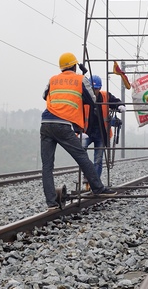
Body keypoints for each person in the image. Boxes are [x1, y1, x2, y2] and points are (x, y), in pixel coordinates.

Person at [40, 52, 117, 209]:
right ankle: (98, 188)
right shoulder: (81, 79)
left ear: (61, 67)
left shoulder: (53, 79)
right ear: (75, 66)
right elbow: (92, 100)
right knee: (82, 157)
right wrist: (84, 80)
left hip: (46, 123)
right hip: (62, 125)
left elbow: (44, 95)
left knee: (47, 165)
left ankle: (51, 203)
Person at [82, 75, 125, 179]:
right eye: (91, 89)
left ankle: (95, 182)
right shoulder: (83, 97)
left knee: (98, 159)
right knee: (81, 154)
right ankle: (87, 175)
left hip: (101, 134)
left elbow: (116, 101)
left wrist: (120, 106)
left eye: (95, 89)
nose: (93, 91)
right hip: (86, 133)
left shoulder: (105, 96)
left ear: (99, 88)